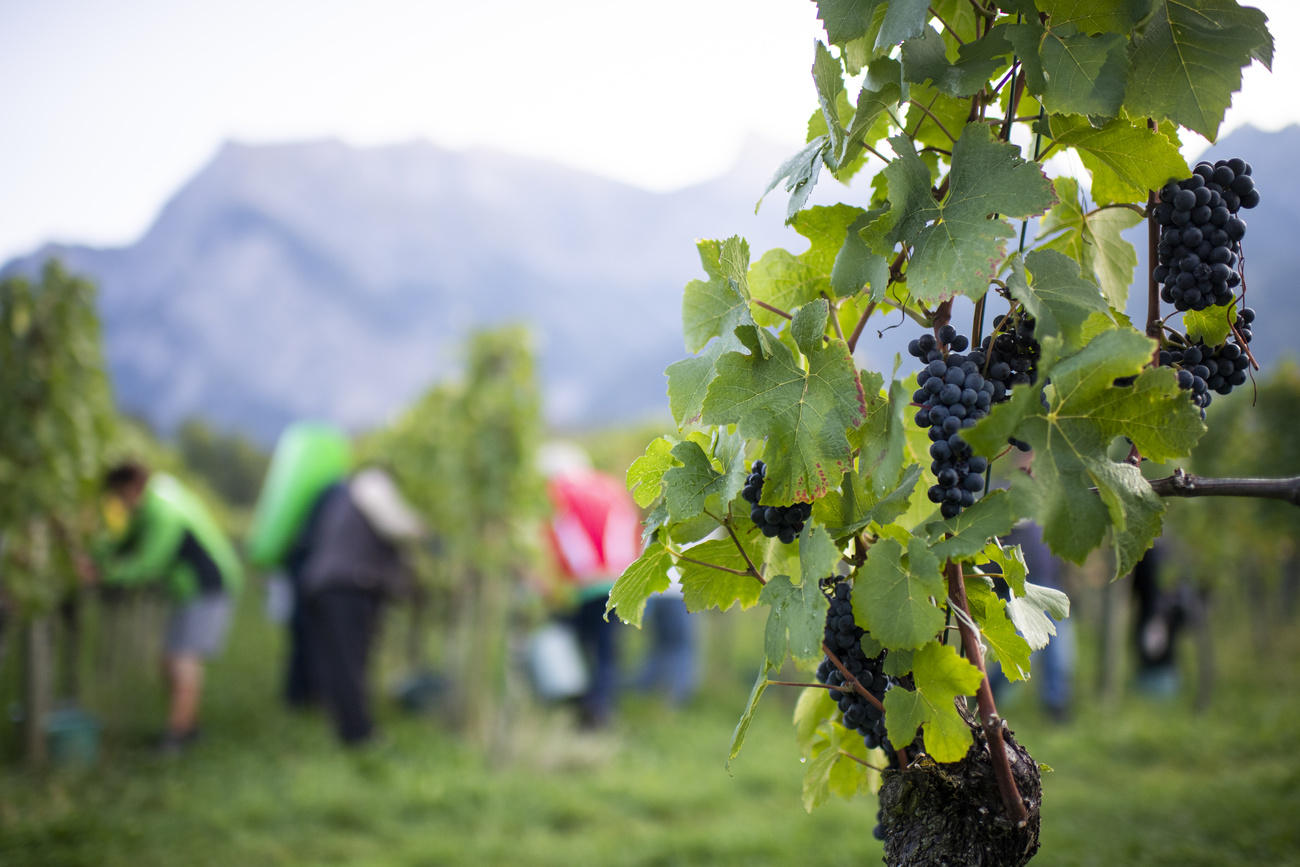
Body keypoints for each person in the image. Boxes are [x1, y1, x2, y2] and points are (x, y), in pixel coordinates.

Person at [93, 461, 242, 752]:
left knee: (182, 659)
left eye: (120, 497)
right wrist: (97, 555)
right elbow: (127, 542)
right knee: (170, 660)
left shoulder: (164, 510)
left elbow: (149, 564)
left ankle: (178, 736)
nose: (120, 505)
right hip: (188, 591)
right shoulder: (151, 502)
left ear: (131, 487)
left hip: (208, 587)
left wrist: (105, 575)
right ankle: (187, 726)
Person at [296, 467, 423, 745]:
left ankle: (344, 722)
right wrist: (423, 528)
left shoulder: (341, 496)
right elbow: (395, 525)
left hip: (324, 584)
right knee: (350, 661)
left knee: (336, 659)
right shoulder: (374, 485)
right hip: (348, 586)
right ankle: (358, 734)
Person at [541, 444, 641, 729]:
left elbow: (551, 540)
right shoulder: (611, 488)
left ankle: (580, 710)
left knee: (577, 648)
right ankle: (602, 710)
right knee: (607, 652)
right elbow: (631, 531)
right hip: (618, 582)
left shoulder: (557, 492)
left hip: (580, 586)